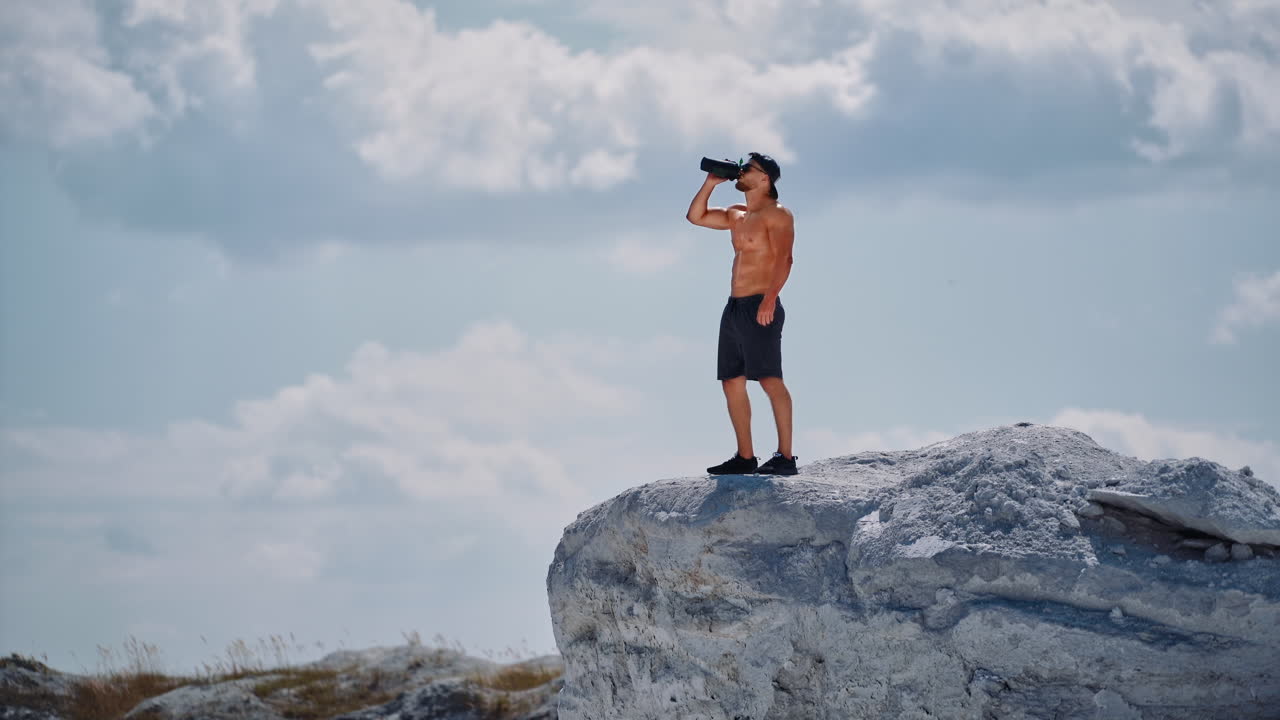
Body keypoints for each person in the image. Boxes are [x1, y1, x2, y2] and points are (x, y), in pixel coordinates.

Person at [685, 152, 797, 476]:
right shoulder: (738, 214)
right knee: (731, 381)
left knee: (770, 380)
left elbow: (785, 259)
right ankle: (745, 456)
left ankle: (786, 457)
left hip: (761, 304)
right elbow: (696, 216)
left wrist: (770, 299)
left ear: (765, 179)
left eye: (748, 169)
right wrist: (710, 182)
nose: (742, 172)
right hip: (734, 307)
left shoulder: (777, 214)